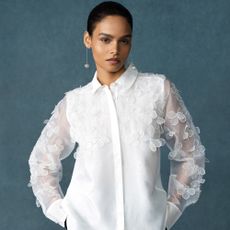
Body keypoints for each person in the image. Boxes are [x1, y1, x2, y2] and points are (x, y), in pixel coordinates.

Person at [28, 1, 208, 230]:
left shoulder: (157, 90)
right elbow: (41, 161)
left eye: (124, 40)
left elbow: (190, 155)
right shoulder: (75, 103)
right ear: (88, 39)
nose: (115, 49)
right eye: (105, 39)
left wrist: (170, 211)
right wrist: (62, 214)